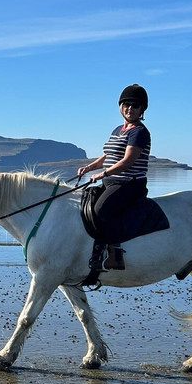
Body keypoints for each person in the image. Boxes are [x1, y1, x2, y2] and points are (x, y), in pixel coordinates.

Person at [76, 84, 151, 270]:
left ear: (142, 109)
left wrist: (102, 174)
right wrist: (89, 168)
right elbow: (108, 156)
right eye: (126, 104)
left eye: (135, 105)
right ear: (120, 107)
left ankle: (116, 253)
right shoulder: (118, 130)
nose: (130, 109)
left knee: (102, 209)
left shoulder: (139, 132)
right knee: (85, 202)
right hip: (112, 182)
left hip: (130, 184)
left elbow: (127, 161)